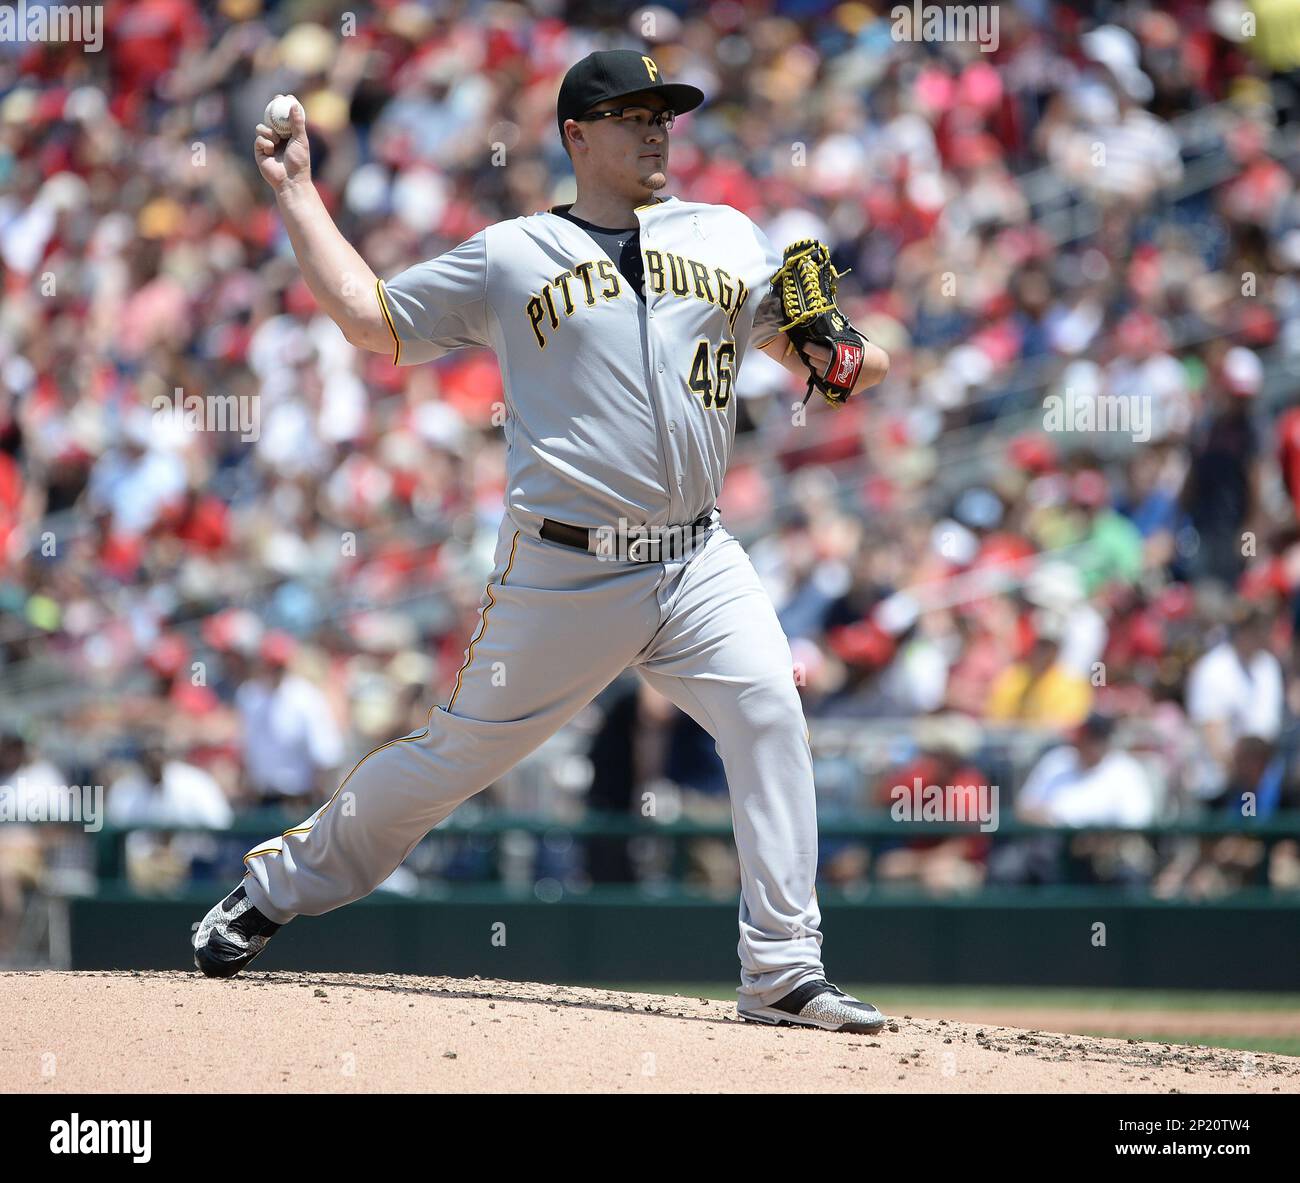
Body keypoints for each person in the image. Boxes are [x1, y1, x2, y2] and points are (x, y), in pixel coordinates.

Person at [192, 51, 892, 1034]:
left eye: (663, 114)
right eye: (629, 114)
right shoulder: (512, 254)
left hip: (696, 556)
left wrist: (845, 351)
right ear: (576, 134)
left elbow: (844, 364)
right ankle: (275, 888)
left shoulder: (727, 236)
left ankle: (780, 968)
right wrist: (301, 193)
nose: (654, 130)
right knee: (451, 760)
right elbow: (374, 321)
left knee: (770, 711)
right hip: (565, 569)